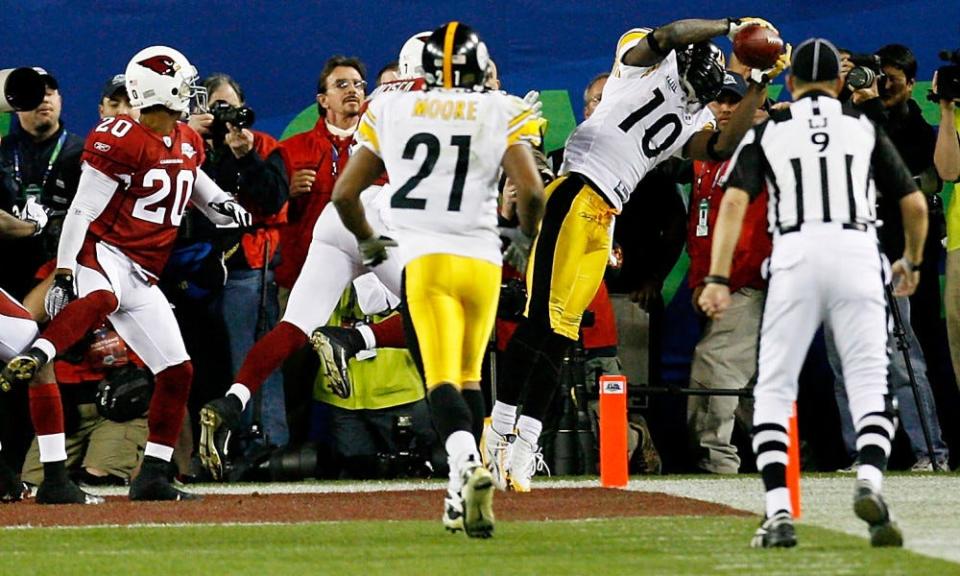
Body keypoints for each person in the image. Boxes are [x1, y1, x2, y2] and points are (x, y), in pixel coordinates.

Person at [483, 17, 787, 493]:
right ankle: (500, 429)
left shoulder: (695, 117)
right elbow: (666, 36)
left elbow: (723, 144)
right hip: (576, 190)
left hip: (605, 215)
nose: (703, 79)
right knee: (542, 319)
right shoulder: (641, 67)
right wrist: (726, 25)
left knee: (562, 331)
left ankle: (525, 442)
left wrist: (760, 85)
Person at [699, 38, 927, 548]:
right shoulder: (862, 125)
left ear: (792, 82)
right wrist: (909, 261)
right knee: (870, 381)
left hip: (796, 252)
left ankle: (779, 513)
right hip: (856, 250)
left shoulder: (775, 128)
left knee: (776, 389)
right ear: (842, 83)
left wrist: (716, 278)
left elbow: (734, 200)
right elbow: (914, 202)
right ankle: (869, 480)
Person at [1, 45, 252, 501]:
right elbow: (81, 210)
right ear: (164, 86)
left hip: (145, 270)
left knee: (178, 372)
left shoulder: (187, 139)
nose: (190, 91)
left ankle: (154, 473)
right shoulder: (120, 137)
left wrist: (224, 206)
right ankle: (40, 352)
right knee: (101, 299)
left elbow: (192, 179)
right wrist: (62, 271)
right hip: (105, 250)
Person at [332, 22, 545, 538]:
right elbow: (533, 193)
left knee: (441, 381)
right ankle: (457, 491)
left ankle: (465, 463)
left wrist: (368, 240)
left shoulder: (390, 107)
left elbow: (344, 194)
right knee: (470, 379)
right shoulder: (501, 107)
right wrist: (524, 237)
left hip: (426, 260)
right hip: (481, 263)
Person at [197, 36, 430, 481]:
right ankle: (354, 341)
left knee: (292, 328)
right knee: (434, 308)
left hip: (339, 220)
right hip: (375, 218)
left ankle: (232, 401)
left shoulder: (383, 100)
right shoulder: (436, 102)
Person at [187, 73, 290, 452]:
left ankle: (264, 443)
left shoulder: (263, 145)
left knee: (252, 357)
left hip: (245, 268)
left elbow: (275, 201)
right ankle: (208, 447)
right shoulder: (185, 146)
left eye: (231, 107)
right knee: (196, 363)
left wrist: (247, 156)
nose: (225, 116)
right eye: (216, 108)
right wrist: (191, 138)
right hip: (191, 272)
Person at [686, 71, 771, 474]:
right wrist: (700, 281)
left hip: (745, 282)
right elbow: (699, 224)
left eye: (733, 101)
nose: (723, 108)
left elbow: (755, 229)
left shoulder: (765, 148)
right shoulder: (706, 153)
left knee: (716, 365)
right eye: (717, 100)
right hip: (716, 284)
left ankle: (716, 460)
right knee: (745, 377)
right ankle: (784, 452)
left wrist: (726, 281)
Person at [0, 69, 83, 300]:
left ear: (60, 99)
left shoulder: (82, 154)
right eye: (35, 94)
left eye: (49, 92)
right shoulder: (3, 151)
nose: (44, 99)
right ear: (13, 104)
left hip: (59, 273)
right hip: (6, 272)